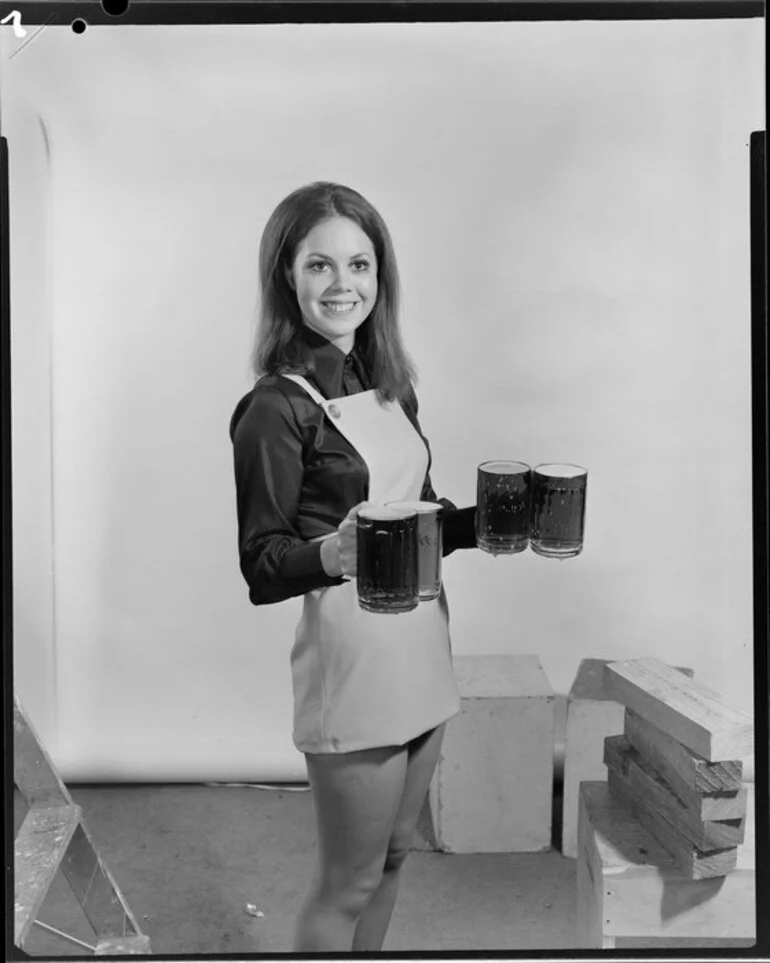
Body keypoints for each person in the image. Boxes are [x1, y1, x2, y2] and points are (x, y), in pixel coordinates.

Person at [230, 181, 477, 952]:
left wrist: (499, 520)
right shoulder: (276, 407)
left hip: (423, 652)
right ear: (286, 277)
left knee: (396, 856)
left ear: (381, 275)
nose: (344, 285)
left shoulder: (387, 386)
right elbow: (262, 566)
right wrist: (333, 554)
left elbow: (421, 518)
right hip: (356, 665)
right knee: (348, 881)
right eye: (319, 266)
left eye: (360, 264)